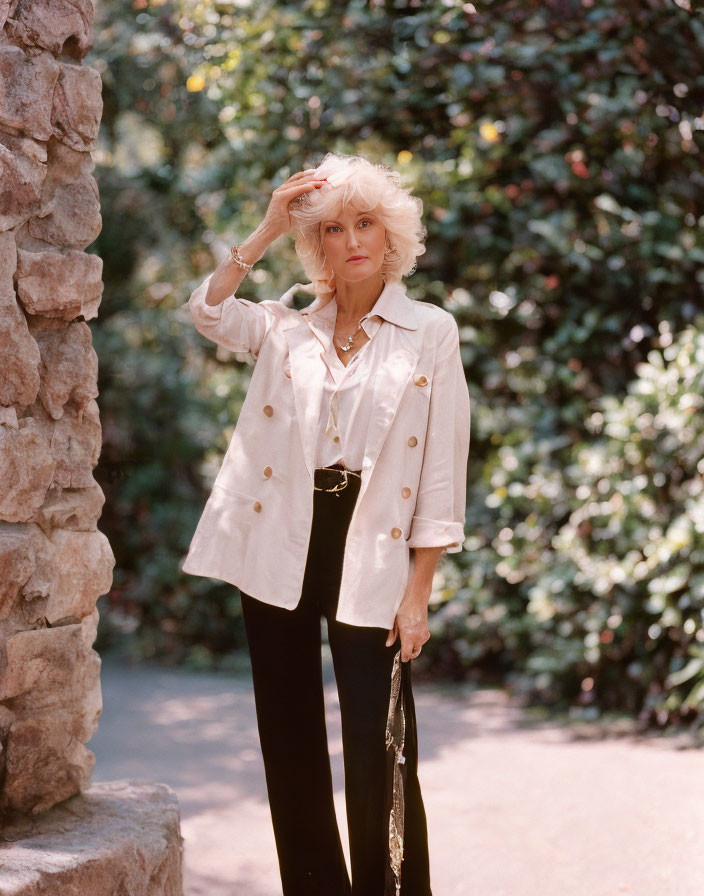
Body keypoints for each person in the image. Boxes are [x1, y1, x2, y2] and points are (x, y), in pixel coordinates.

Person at [181, 152, 471, 896]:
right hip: (281, 535)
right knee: (289, 736)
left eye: (366, 222)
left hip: (368, 540)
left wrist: (419, 591)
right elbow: (208, 312)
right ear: (317, 245)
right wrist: (270, 226)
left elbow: (441, 472)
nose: (353, 241)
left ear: (391, 231)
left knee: (381, 743)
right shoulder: (285, 327)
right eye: (334, 228)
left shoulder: (429, 331)